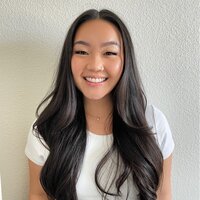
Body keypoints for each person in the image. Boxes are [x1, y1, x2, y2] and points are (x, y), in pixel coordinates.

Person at [25, 9, 175, 200]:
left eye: (109, 52)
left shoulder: (153, 123)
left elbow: (163, 195)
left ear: (125, 61)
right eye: (82, 52)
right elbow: (38, 194)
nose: (95, 65)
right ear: (68, 59)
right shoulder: (45, 130)